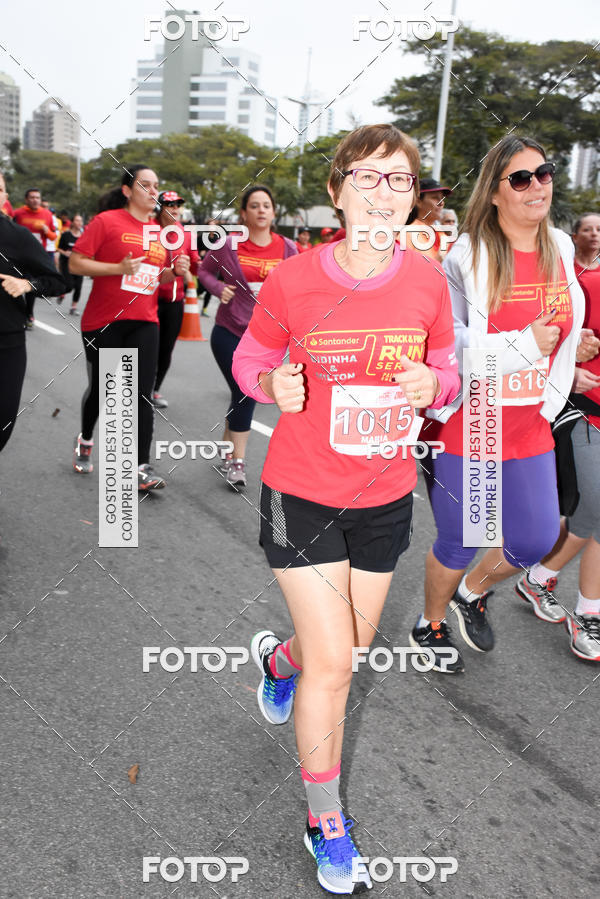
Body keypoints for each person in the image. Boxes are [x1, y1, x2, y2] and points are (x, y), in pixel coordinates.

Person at [232, 123, 460, 894]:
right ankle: (325, 820)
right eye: (367, 176)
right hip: (301, 493)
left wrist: (435, 384)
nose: (384, 193)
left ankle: (278, 660)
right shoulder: (295, 279)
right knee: (335, 665)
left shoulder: (428, 282)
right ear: (337, 190)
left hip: (386, 496)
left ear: (413, 197)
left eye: (400, 180)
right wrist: (273, 384)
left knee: (345, 648)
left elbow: (447, 369)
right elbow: (252, 356)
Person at [411, 136, 586, 673]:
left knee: (534, 539)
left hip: (532, 419)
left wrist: (570, 349)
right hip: (477, 420)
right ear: (493, 191)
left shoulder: (561, 245)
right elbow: (446, 342)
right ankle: (429, 624)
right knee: (465, 537)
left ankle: (471, 593)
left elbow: (562, 323)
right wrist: (524, 346)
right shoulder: (468, 255)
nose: (537, 186)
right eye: (521, 178)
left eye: (544, 173)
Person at [69, 166, 190, 491]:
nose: (153, 191)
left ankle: (141, 467)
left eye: (156, 185)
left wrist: (175, 272)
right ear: (127, 190)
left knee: (141, 395)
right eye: (144, 185)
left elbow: (154, 277)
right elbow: (76, 263)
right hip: (104, 322)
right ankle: (86, 438)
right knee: (103, 391)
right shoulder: (106, 221)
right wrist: (117, 268)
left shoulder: (158, 232)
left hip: (145, 321)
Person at [515, 212, 600, 661]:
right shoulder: (589, 285)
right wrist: (573, 367)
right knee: (595, 510)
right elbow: (559, 339)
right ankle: (588, 615)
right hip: (586, 412)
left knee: (591, 517)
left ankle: (538, 577)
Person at [197, 185, 297, 488]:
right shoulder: (228, 245)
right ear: (244, 213)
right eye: (254, 205)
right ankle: (237, 462)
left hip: (266, 340)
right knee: (246, 391)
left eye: (266, 205)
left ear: (274, 212)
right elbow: (204, 272)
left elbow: (300, 285)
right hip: (229, 331)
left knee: (240, 392)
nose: (261, 210)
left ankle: (227, 448)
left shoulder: (288, 248)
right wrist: (218, 288)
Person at [0, 171, 65, 453]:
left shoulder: (16, 236)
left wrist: (27, 284)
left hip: (6, 342)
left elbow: (58, 282)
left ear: (5, 197)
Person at [152, 190, 200, 408]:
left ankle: (154, 389)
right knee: (146, 347)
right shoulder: (149, 230)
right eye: (169, 205)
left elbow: (195, 264)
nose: (175, 209)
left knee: (166, 349)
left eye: (177, 205)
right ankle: (137, 388)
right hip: (149, 301)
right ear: (159, 207)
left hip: (175, 301)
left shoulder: (186, 234)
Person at [12, 189, 57, 328]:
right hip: (17, 256)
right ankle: (16, 313)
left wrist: (47, 231)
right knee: (15, 284)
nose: (35, 200)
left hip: (35, 257)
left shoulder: (47, 215)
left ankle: (29, 314)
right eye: (32, 197)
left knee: (31, 284)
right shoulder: (18, 213)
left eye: (37, 197)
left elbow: (53, 237)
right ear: (26, 199)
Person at [404, 177, 452, 261]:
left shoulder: (443, 236)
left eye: (442, 198)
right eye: (435, 198)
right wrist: (436, 262)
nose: (441, 203)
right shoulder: (407, 235)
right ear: (418, 201)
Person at [57, 214, 84, 314]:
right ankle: (62, 293)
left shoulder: (84, 236)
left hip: (79, 264)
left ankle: (73, 307)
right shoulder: (66, 235)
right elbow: (58, 248)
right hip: (66, 263)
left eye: (81, 221)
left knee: (78, 286)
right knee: (69, 285)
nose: (79, 223)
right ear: (72, 222)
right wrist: (65, 253)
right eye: (77, 220)